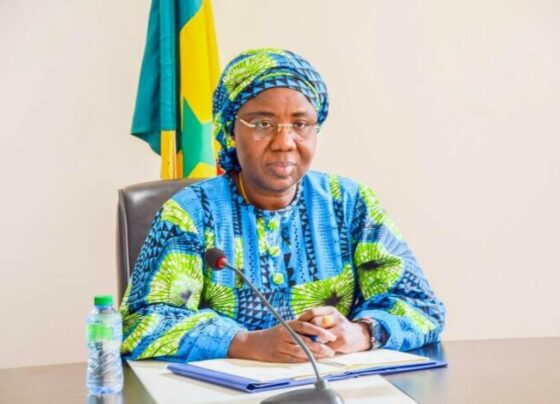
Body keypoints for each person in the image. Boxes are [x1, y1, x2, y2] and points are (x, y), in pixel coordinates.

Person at [120, 48, 445, 363]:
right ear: (230, 129)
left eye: (300, 125)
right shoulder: (191, 212)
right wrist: (245, 343)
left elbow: (422, 307)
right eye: (263, 124)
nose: (284, 143)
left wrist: (360, 333)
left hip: (332, 385)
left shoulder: (350, 203)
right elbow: (141, 322)